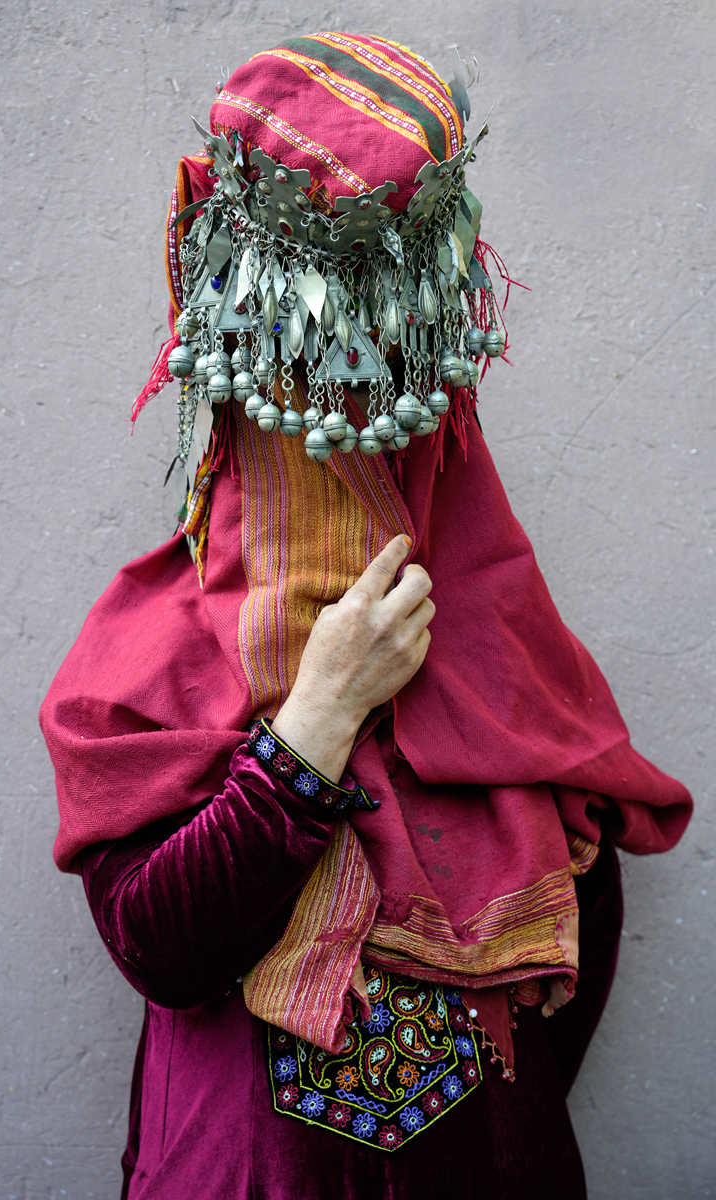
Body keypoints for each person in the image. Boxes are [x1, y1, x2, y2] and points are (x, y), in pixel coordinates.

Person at [40, 33, 693, 1199]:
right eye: (291, 404)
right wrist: (316, 719)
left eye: (375, 410)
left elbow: (575, 954)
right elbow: (161, 947)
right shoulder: (149, 649)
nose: (332, 449)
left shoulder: (501, 637)